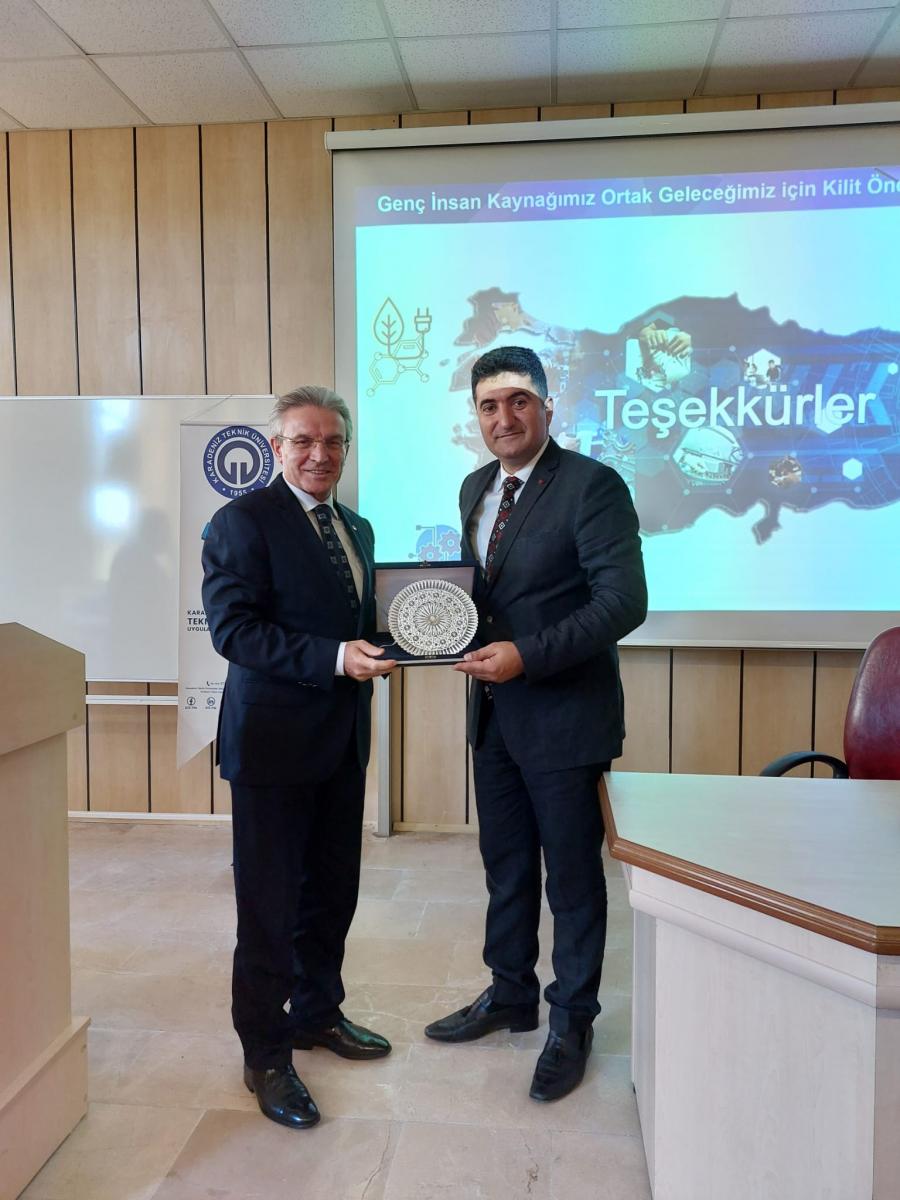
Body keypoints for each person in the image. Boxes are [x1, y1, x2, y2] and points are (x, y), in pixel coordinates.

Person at [425, 347, 647, 1102]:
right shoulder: (474, 487)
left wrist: (527, 656)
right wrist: (429, 631)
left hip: (565, 719)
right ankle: (510, 993)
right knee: (506, 867)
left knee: (574, 882)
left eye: (519, 401)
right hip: (493, 718)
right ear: (476, 417)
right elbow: (481, 598)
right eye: (489, 406)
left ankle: (572, 1022)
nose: (504, 418)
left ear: (547, 408)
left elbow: (622, 602)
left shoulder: (593, 486)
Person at [202, 386, 395, 1130]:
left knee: (332, 895)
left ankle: (318, 1013)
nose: (320, 454)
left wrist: (421, 637)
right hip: (273, 748)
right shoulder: (242, 521)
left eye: (333, 441)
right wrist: (337, 658)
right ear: (277, 448)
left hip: (342, 743)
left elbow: (361, 621)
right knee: (270, 908)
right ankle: (266, 1053)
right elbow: (235, 631)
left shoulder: (357, 526)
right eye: (304, 441)